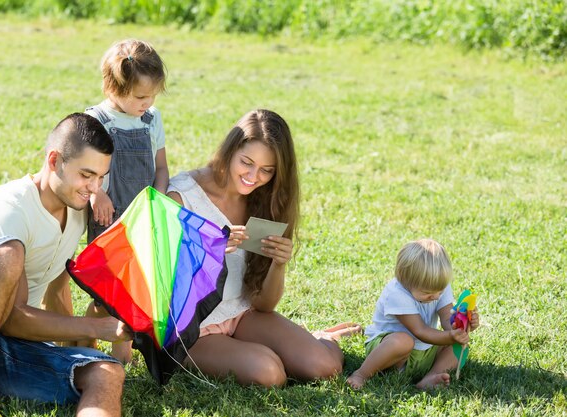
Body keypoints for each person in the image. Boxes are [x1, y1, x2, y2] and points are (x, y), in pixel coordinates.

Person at [0, 113, 131, 417]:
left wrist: (82, 348)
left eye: (100, 177)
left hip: (1, 348)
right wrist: (97, 326)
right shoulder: (10, 209)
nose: (93, 188)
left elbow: (56, 290)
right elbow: (14, 318)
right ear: (54, 161)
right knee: (10, 254)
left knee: (106, 371)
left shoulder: (77, 210)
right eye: (86, 175)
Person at [167, 109, 361, 386]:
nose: (253, 176)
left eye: (266, 171)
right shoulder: (180, 195)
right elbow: (160, 284)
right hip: (193, 328)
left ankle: (323, 339)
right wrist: (210, 250)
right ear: (230, 150)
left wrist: (278, 264)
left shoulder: (265, 200)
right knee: (269, 373)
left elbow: (262, 303)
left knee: (325, 366)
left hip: (244, 314)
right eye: (246, 162)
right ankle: (268, 350)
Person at [82, 39, 169, 363]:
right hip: (109, 219)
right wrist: (97, 193)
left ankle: (122, 359)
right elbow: (85, 171)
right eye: (141, 96)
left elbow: (161, 168)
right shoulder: (96, 121)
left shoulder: (151, 120)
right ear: (112, 89)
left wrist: (157, 200)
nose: (148, 102)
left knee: (134, 292)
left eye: (153, 96)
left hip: (142, 220)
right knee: (106, 296)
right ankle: (82, 343)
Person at [346, 238, 480, 391]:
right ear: (405, 281)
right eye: (427, 293)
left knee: (458, 347)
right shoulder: (397, 294)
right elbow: (420, 330)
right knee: (403, 341)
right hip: (391, 355)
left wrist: (460, 328)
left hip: (425, 353)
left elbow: (446, 319)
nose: (436, 296)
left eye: (440, 291)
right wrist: (449, 336)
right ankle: (361, 374)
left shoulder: (437, 285)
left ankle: (431, 376)